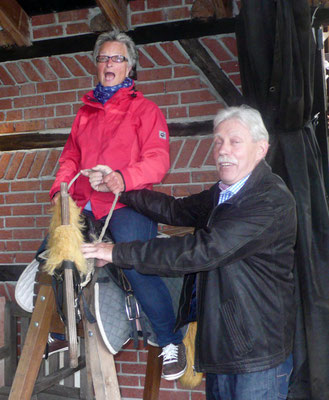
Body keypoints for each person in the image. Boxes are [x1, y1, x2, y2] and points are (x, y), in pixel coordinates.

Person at [81, 105, 297, 400]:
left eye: (235, 141)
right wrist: (122, 187)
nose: (223, 150)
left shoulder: (268, 201)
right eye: (218, 141)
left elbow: (202, 250)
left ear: (261, 148)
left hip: (256, 353)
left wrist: (117, 252)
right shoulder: (224, 192)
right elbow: (176, 210)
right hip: (225, 345)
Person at [49, 30, 186, 380]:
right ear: (96, 65)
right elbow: (70, 158)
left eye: (117, 58)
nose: (109, 64)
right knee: (51, 255)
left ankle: (171, 340)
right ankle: (64, 329)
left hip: (127, 204)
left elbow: (158, 160)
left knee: (136, 264)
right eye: (104, 58)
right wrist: (61, 189)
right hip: (85, 202)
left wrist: (122, 178)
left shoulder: (146, 110)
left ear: (130, 66)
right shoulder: (84, 114)